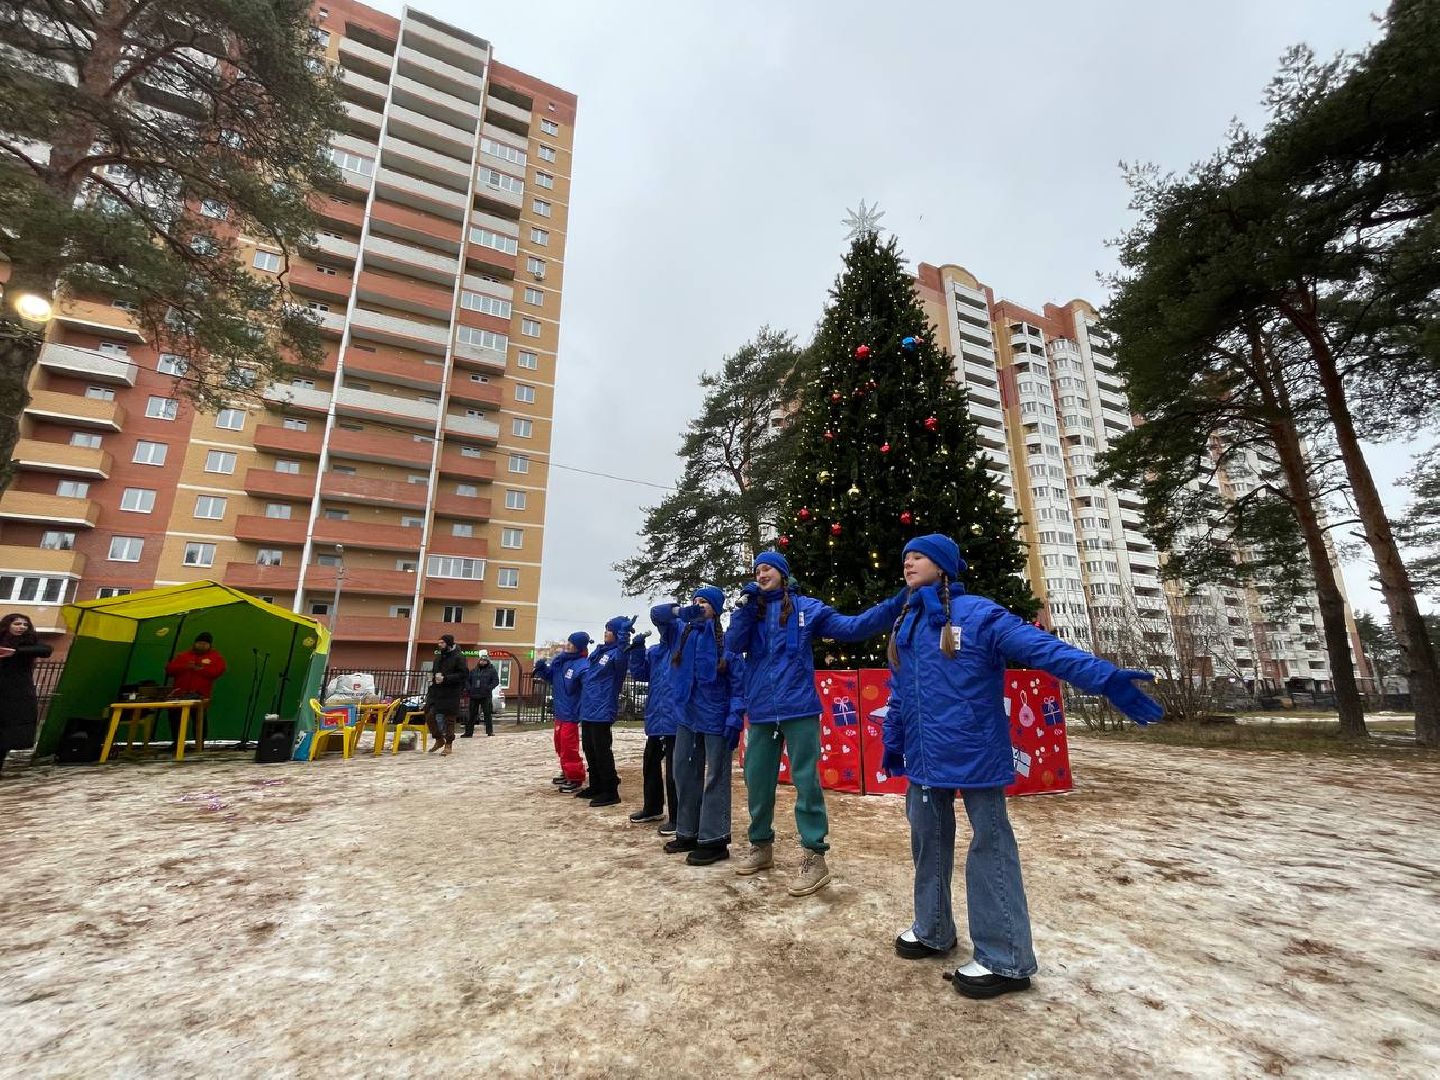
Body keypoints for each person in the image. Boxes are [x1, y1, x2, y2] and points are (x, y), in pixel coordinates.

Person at [882, 534, 1163, 1000]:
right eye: (905, 555)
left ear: (945, 565)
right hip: (925, 755)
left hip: (974, 752)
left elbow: (1042, 649)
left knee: (989, 846)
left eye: (919, 555)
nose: (908, 562)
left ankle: (1005, 956)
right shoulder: (907, 621)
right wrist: (897, 736)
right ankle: (932, 928)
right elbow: (901, 687)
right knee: (926, 841)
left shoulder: (980, 614)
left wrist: (1103, 677)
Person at [726, 550, 906, 896]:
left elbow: (854, 628)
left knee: (806, 781)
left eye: (767, 568)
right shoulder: (752, 612)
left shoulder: (809, 608)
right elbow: (733, 646)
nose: (761, 574)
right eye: (757, 570)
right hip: (761, 710)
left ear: (782, 572)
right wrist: (746, 609)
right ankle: (761, 846)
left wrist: (895, 603)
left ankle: (814, 855)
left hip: (800, 708)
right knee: (757, 781)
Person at [654, 588, 746, 865]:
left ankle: (714, 839)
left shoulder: (726, 641)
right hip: (686, 715)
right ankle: (687, 831)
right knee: (682, 771)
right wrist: (678, 611)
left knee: (715, 776)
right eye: (695, 601)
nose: (698, 605)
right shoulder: (680, 631)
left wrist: (734, 718)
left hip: (716, 717)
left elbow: (738, 685)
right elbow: (657, 615)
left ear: (716, 609)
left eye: (704, 602)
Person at [574, 615, 646, 808]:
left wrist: (624, 635)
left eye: (609, 630)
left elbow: (623, 655)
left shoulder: (617, 654)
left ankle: (610, 790)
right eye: (606, 629)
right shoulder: (598, 653)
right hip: (589, 708)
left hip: (602, 708)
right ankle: (596, 785)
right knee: (590, 748)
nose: (606, 632)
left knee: (602, 750)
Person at [627, 607, 682, 832]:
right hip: (657, 718)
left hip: (677, 720)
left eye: (663, 625)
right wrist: (638, 649)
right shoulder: (656, 652)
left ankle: (678, 817)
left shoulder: (682, 648)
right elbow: (640, 674)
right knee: (650, 765)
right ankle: (652, 807)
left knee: (674, 772)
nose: (660, 630)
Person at [533, 632, 590, 791]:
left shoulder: (582, 665)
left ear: (579, 647)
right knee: (560, 745)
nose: (568, 645)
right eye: (569, 642)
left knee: (568, 746)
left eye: (572, 643)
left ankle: (575, 777)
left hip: (571, 713)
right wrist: (542, 669)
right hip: (560, 711)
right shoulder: (562, 661)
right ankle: (566, 771)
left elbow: (588, 687)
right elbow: (552, 677)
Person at [0, 614, 54, 775]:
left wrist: (15, 652)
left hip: (18, 693)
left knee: (7, 733)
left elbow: (46, 650)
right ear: (7, 625)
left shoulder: (29, 642)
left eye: (25, 624)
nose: (21, 627)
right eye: (17, 623)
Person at [162, 631, 227, 747]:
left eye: (204, 644)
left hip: (200, 695)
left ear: (209, 645)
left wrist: (200, 669)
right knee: (175, 718)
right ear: (195, 643)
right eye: (199, 643)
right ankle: (177, 743)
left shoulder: (215, 657)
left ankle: (199, 743)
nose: (201, 645)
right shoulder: (183, 656)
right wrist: (185, 667)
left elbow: (217, 671)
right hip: (179, 694)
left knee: (199, 719)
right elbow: (169, 669)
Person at [426, 633, 469, 757]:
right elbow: (435, 671)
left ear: (449, 644)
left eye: (442, 643)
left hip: (451, 692)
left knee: (449, 719)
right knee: (429, 715)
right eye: (439, 643)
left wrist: (446, 678)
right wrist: (431, 677)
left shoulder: (459, 657)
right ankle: (439, 739)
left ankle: (448, 744)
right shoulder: (439, 657)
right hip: (436, 692)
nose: (439, 645)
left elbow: (463, 675)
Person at [465, 650, 500, 737]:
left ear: (487, 661)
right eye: (481, 660)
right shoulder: (474, 671)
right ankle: (468, 732)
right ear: (479, 661)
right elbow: (467, 681)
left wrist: (488, 688)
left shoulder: (491, 671)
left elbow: (496, 681)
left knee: (487, 714)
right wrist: (469, 689)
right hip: (474, 695)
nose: (482, 662)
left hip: (485, 695)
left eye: (484, 660)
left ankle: (489, 731)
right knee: (472, 714)